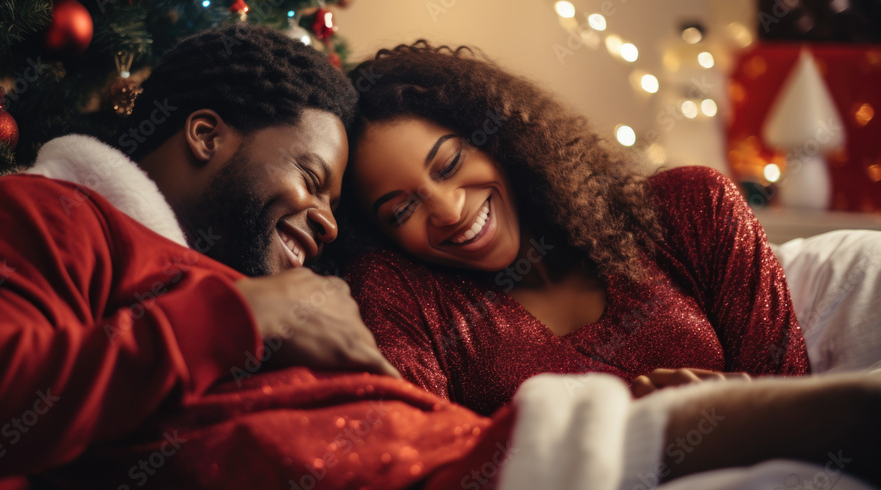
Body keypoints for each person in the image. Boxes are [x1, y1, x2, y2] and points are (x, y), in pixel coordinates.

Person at [0, 26, 881, 490]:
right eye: (317, 181)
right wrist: (237, 314)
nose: (323, 222)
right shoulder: (40, 214)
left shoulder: (247, 285)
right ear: (204, 135)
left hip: (498, 474)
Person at [337, 43, 807, 415]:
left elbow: (798, 403)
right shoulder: (400, 295)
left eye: (450, 163)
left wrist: (738, 409)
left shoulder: (692, 208)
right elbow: (421, 458)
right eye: (400, 211)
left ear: (496, 136)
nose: (448, 209)